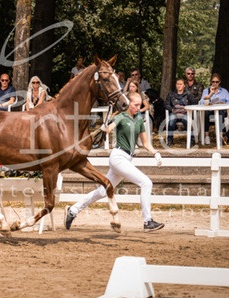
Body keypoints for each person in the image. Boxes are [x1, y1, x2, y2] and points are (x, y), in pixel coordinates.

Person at [64, 92, 164, 232]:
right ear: (128, 104)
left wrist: (155, 153)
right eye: (135, 105)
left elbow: (145, 143)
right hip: (118, 157)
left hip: (127, 158)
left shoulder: (139, 120)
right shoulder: (121, 116)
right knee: (146, 183)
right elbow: (110, 128)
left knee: (102, 192)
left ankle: (73, 210)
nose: (138, 108)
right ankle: (148, 221)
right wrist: (105, 128)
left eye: (139, 105)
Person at [198, 73, 229, 145]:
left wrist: (223, 103)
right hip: (210, 110)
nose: (215, 83)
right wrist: (210, 93)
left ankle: (220, 135)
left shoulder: (224, 91)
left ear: (219, 82)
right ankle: (207, 136)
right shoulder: (206, 91)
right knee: (205, 113)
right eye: (213, 82)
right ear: (211, 82)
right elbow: (201, 102)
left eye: (217, 82)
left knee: (221, 113)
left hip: (221, 110)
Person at [164, 78, 197, 146]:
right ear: (176, 85)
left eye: (181, 84)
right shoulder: (171, 94)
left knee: (186, 121)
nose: (179, 86)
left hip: (185, 112)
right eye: (178, 84)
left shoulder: (188, 94)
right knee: (171, 121)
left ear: (184, 85)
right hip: (174, 112)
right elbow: (166, 104)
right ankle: (170, 139)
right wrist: (171, 109)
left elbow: (194, 103)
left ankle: (191, 139)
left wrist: (188, 109)